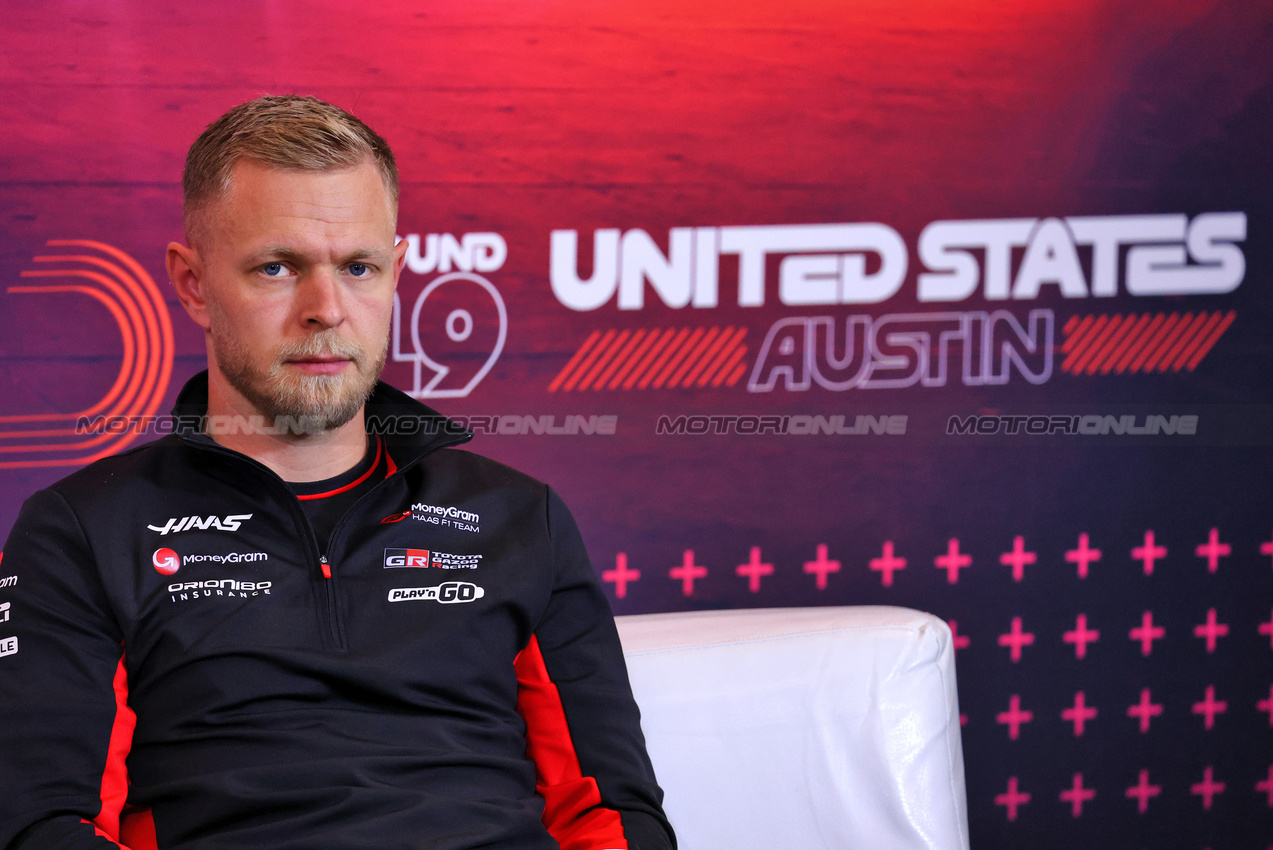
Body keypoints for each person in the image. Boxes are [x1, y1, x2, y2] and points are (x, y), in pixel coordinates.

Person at [0, 95, 675, 850]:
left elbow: (614, 817)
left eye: (358, 266)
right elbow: (43, 826)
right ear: (193, 284)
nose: (326, 308)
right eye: (277, 267)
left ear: (396, 274)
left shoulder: (519, 516)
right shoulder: (85, 529)